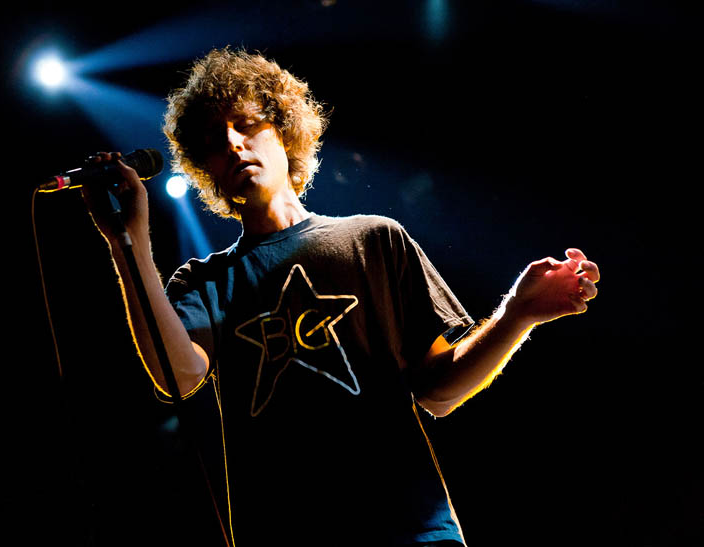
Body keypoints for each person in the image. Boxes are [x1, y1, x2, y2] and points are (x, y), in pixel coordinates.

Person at [81, 48, 599, 546]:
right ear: (205, 168)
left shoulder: (374, 238)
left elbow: (439, 392)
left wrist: (518, 312)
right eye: (216, 140)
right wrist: (128, 244)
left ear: (283, 129)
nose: (235, 144)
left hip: (409, 528)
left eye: (246, 123)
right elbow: (181, 376)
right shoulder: (205, 281)